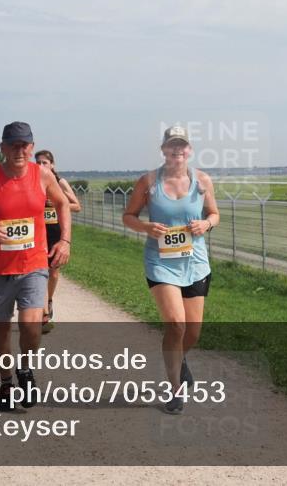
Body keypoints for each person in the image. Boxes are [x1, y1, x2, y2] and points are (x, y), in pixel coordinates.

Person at [0, 122, 72, 410]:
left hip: (34, 264)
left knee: (31, 327)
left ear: (32, 147)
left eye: (24, 145)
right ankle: (6, 382)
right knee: (1, 331)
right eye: (13, 145)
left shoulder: (43, 175)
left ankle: (25, 369)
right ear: (3, 148)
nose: (19, 150)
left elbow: (62, 204)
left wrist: (65, 240)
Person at [122, 125, 219, 415]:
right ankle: (175, 390)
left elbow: (214, 214)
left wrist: (206, 224)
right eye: (172, 145)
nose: (177, 150)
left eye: (182, 145)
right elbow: (128, 216)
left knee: (192, 332)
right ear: (163, 149)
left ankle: (179, 359)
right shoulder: (148, 182)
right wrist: (145, 227)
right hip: (161, 263)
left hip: (195, 263)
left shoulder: (202, 181)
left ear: (189, 150)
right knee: (175, 324)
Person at [34, 149, 81, 333]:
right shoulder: (34, 181)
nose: (40, 166)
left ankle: (49, 300)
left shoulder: (60, 182)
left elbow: (77, 206)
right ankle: (43, 314)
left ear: (52, 165)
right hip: (39, 233)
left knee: (53, 272)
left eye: (44, 162)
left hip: (56, 232)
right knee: (42, 271)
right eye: (37, 162)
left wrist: (58, 203)